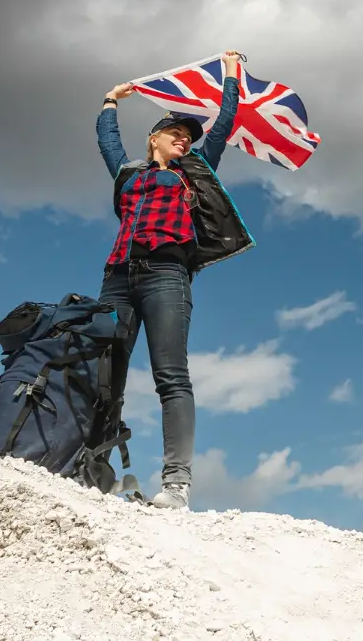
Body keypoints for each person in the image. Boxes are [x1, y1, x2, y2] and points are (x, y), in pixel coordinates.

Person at [95, 50, 255, 509]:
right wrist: (110, 101)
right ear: (154, 139)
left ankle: (176, 483)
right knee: (108, 375)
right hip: (118, 277)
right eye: (176, 134)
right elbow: (108, 142)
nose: (184, 141)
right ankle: (96, 466)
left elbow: (224, 122)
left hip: (166, 276)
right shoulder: (127, 173)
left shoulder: (194, 172)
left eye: (188, 136)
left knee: (171, 375)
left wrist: (229, 74)